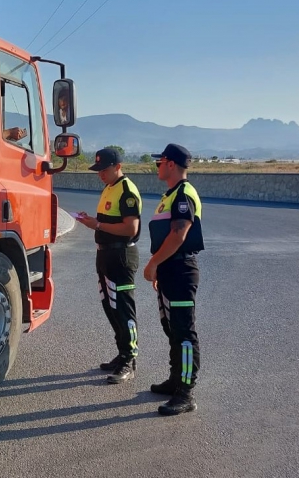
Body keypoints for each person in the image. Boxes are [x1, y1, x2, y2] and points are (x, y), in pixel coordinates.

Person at [144, 143, 204, 416]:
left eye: (159, 162)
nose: (156, 166)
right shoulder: (170, 194)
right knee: (172, 330)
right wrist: (159, 267)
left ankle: (186, 392)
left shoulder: (183, 194)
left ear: (170, 164)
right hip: (170, 270)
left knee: (184, 334)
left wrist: (154, 262)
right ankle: (175, 380)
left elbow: (179, 235)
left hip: (180, 270)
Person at [76, 147, 142, 384]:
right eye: (98, 170)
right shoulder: (109, 188)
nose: (100, 174)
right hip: (104, 256)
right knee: (110, 308)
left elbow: (131, 228)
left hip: (121, 257)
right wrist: (91, 222)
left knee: (124, 310)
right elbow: (104, 221)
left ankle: (129, 360)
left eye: (104, 169)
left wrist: (98, 226)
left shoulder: (127, 190)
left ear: (117, 167)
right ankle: (122, 352)